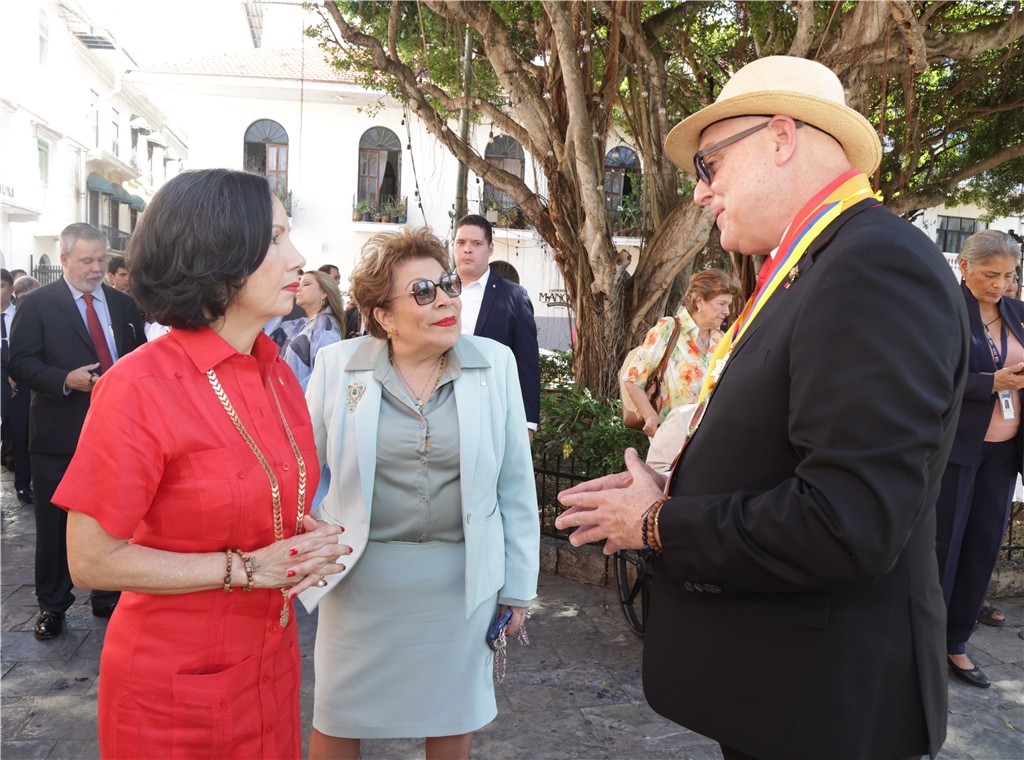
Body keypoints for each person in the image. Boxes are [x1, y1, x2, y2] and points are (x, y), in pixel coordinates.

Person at [555, 55, 969, 759]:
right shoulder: (823, 264)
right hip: (790, 696)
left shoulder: (870, 266)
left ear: (780, 138)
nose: (700, 193)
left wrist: (658, 523)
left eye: (709, 164)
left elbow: (847, 521)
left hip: (823, 711)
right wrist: (677, 486)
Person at [50, 169, 349, 759]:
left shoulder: (275, 372)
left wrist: (302, 538)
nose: (298, 258)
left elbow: (263, 496)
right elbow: (89, 559)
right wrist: (249, 568)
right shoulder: (139, 385)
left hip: (270, 669)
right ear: (219, 257)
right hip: (172, 693)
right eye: (275, 238)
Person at [303, 227, 540, 760]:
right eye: (423, 292)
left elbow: (515, 486)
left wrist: (517, 589)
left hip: (460, 586)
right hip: (359, 583)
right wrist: (306, 533)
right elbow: (299, 469)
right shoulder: (338, 367)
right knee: (337, 718)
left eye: (448, 285)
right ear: (384, 316)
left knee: (453, 719)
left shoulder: (494, 363)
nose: (446, 300)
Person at [9, 223, 148, 640]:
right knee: (54, 525)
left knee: (114, 518)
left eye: (101, 259)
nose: (96, 268)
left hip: (117, 435)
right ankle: (53, 605)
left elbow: (140, 358)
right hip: (58, 434)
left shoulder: (124, 304)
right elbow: (21, 363)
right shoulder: (37, 305)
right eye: (87, 260)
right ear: (65, 259)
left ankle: (108, 595)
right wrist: (65, 380)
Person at [935, 230, 1024, 689]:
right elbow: (929, 378)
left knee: (984, 545)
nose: (1001, 285)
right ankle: (925, 639)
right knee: (944, 545)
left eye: (1008, 275)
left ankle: (957, 641)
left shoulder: (1017, 312)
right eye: (991, 274)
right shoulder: (942, 309)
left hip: (1005, 452)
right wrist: (989, 383)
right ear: (965, 266)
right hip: (957, 448)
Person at [622, 269, 739, 437]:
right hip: (672, 437)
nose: (727, 312)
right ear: (699, 301)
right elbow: (632, 380)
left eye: (728, 305)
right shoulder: (668, 329)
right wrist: (650, 416)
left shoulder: (722, 340)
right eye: (722, 304)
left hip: (712, 436)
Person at [454, 214, 540, 441]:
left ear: (490, 248)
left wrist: (527, 423)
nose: (467, 249)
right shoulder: (435, 291)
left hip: (490, 412)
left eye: (476, 243)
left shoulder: (514, 296)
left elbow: (527, 363)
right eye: (461, 242)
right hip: (439, 408)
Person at [273, 269, 344, 388]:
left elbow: (326, 374)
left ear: (324, 292)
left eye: (306, 284)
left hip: (301, 397)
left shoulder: (325, 324)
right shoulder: (300, 324)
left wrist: (294, 395)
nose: (298, 288)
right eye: (298, 284)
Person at [1, 269, 32, 502]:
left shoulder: (22, 314)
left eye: (1, 285)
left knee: (20, 434)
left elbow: (28, 349)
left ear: (12, 288)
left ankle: (23, 484)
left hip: (19, 384)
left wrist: (15, 375)